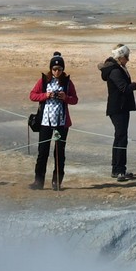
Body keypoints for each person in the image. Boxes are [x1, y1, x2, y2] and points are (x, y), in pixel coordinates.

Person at [98, 43, 136, 181]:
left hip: (121, 108)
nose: (128, 59)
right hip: (118, 108)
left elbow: (125, 87)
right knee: (121, 138)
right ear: (120, 57)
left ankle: (118, 169)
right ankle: (119, 170)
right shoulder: (115, 70)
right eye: (126, 56)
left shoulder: (119, 68)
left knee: (120, 137)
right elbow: (124, 89)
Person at [28, 51, 78, 190]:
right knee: (42, 152)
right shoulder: (44, 81)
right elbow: (32, 95)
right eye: (54, 69)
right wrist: (46, 95)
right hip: (45, 122)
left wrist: (65, 97)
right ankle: (38, 181)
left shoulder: (67, 83)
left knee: (59, 153)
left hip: (61, 123)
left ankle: (57, 182)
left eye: (59, 69)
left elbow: (75, 99)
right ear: (51, 69)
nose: (57, 72)